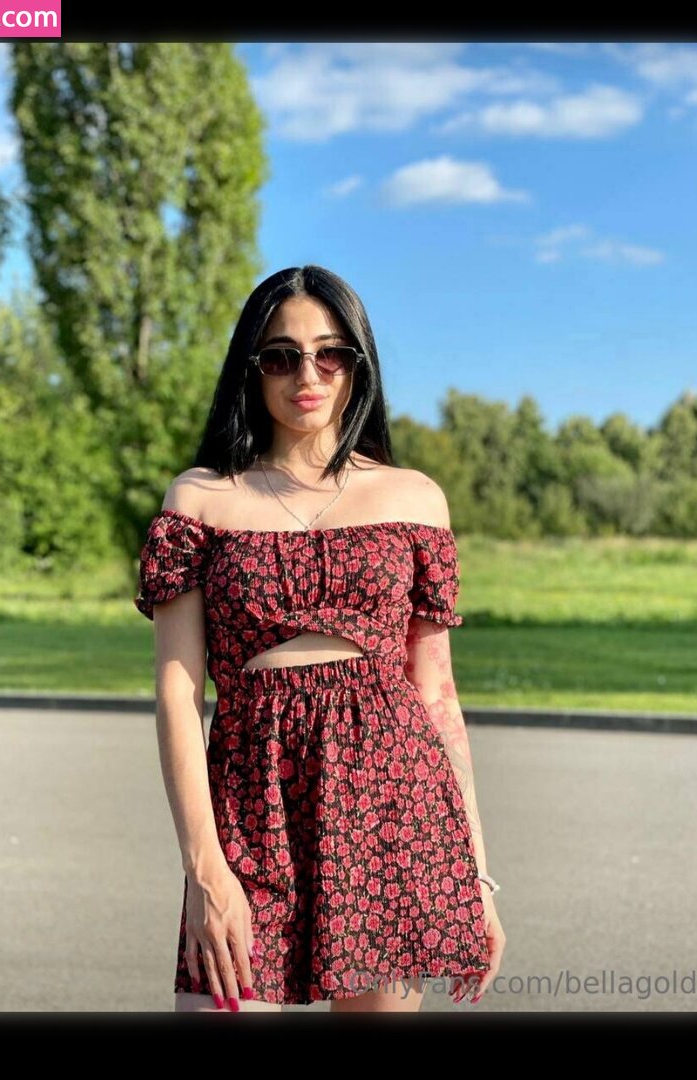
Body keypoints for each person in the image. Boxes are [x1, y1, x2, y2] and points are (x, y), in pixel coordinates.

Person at [134, 264, 506, 1013]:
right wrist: (204, 868)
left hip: (394, 806)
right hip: (251, 806)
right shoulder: (201, 498)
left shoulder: (413, 498)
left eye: (331, 353)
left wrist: (477, 874)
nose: (308, 374)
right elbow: (178, 692)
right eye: (282, 355)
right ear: (252, 368)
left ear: (358, 364)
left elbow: (437, 694)